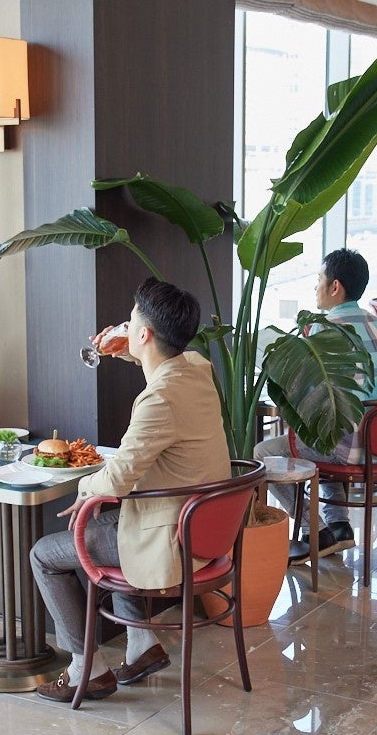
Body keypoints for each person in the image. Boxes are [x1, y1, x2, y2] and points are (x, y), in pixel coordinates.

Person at [30, 278, 231, 704]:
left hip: (170, 539)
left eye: (132, 318)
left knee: (45, 555)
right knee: (111, 523)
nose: (126, 322)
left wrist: (82, 486)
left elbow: (117, 479)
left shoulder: (159, 400)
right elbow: (163, 367)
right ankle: (141, 645)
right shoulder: (197, 368)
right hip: (203, 529)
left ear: (145, 333)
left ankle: (86, 667)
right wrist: (128, 350)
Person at [255, 249, 377, 559]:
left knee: (262, 455)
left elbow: (305, 395)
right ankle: (340, 526)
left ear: (335, 286)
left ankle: (316, 530)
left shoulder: (324, 329)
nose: (316, 287)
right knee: (327, 432)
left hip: (351, 448)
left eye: (319, 280)